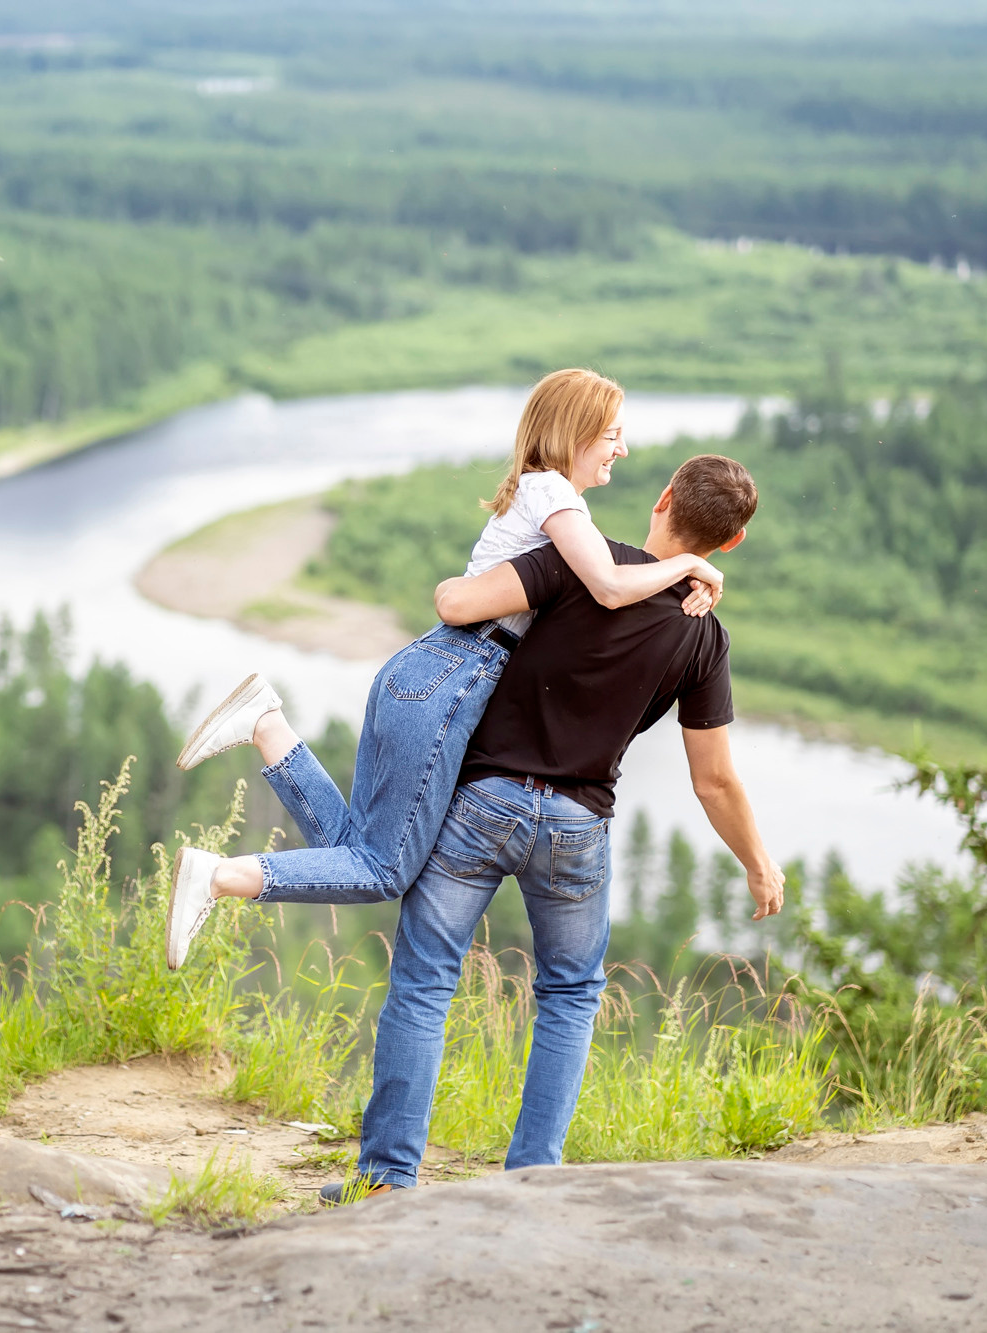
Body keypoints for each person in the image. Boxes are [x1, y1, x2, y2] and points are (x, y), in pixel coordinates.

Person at [325, 452, 782, 1195]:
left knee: (424, 981)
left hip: (480, 803)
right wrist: (760, 863)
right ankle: (532, 1186)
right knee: (569, 994)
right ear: (728, 544)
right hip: (577, 827)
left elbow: (462, 603)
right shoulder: (704, 638)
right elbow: (715, 779)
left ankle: (385, 1178)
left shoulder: (571, 560)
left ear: (663, 498)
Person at [164, 368, 723, 967]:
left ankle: (267, 726)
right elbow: (610, 586)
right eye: (613, 434)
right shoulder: (557, 496)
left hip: (432, 670)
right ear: (577, 434)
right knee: (381, 872)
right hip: (458, 677)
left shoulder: (546, 496)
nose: (623, 448)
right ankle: (218, 876)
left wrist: (679, 569)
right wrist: (689, 560)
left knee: (357, 850)